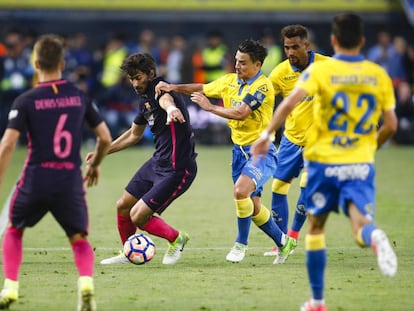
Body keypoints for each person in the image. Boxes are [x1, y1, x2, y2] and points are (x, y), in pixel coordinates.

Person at [251, 13, 398, 311]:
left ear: (330, 41)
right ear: (362, 41)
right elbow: (391, 125)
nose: (290, 52)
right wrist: (370, 148)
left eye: (295, 46)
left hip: (323, 155)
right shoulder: (377, 74)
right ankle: (373, 235)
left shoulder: (320, 72)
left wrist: (266, 135)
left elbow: (289, 103)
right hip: (357, 159)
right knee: (359, 221)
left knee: (315, 228)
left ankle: (317, 301)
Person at [156, 39, 295, 263]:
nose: (237, 66)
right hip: (239, 153)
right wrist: (173, 87)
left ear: (257, 65)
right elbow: (202, 88)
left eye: (243, 63)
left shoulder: (262, 86)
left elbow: (242, 113)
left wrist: (210, 107)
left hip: (262, 151)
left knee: (241, 192)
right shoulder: (230, 81)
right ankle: (284, 242)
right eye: (236, 61)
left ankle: (240, 244)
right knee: (254, 207)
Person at [0, 34, 112, 310]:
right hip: (69, 178)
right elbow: (106, 138)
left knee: (14, 230)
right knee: (78, 238)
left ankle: (10, 287)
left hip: (36, 176)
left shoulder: (26, 100)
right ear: (62, 64)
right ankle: (86, 284)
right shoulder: (79, 96)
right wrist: (95, 163)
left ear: (36, 64)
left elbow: (8, 143)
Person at [96, 52, 197, 266]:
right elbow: (134, 134)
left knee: (138, 216)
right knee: (123, 206)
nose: (134, 83)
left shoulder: (160, 87)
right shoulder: (144, 101)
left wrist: (171, 109)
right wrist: (104, 151)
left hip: (178, 168)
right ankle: (128, 251)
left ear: (151, 74)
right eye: (131, 78)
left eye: (138, 77)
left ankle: (177, 238)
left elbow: (165, 100)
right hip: (158, 162)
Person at [263, 25, 330, 262]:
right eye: (286, 47)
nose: (290, 52)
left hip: (319, 140)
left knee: (306, 187)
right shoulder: (280, 73)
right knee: (278, 188)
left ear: (307, 45)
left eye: (295, 47)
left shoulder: (327, 66)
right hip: (291, 139)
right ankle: (282, 241)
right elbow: (266, 100)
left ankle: (293, 234)